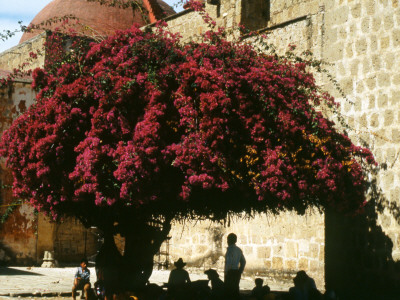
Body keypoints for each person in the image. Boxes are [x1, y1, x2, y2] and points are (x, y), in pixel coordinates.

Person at [224, 233, 246, 299]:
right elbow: (243, 261)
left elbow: (229, 263)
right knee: (235, 290)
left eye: (228, 240)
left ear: (228, 240)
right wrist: (240, 271)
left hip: (230, 273)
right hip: (236, 272)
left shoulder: (230, 250)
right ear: (235, 241)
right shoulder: (238, 250)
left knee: (229, 292)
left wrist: (227, 273)